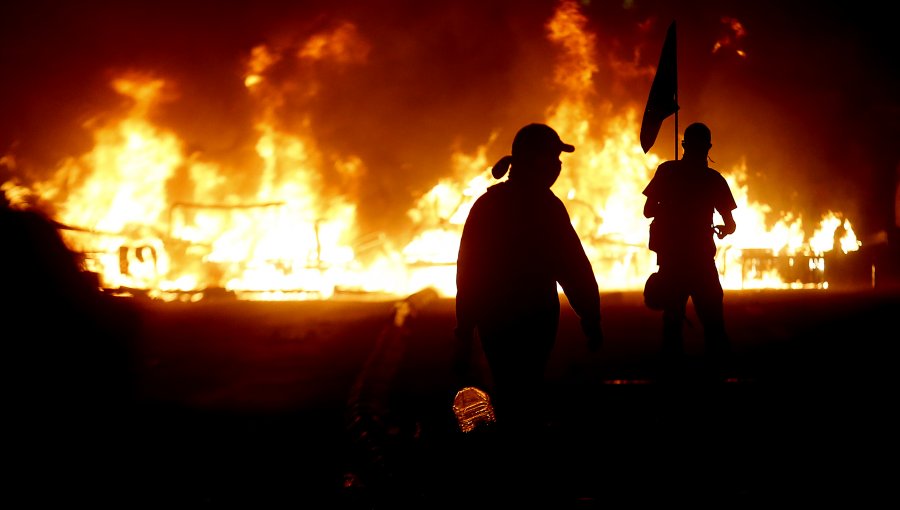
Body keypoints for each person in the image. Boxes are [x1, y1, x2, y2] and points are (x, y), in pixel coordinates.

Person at [454, 123, 603, 437]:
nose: (558, 166)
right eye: (553, 157)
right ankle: (524, 451)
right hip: (535, 318)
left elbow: (467, 272)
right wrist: (590, 315)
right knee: (529, 386)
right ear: (536, 160)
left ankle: (512, 446)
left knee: (507, 385)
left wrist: (465, 328)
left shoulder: (487, 206)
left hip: (495, 320)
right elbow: (573, 267)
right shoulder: (546, 207)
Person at [642, 122, 737, 381]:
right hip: (700, 260)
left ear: (683, 145)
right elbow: (731, 224)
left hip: (673, 260)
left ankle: (672, 374)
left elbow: (648, 210)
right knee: (713, 320)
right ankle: (717, 372)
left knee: (672, 320)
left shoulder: (667, 171)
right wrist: (721, 229)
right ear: (708, 147)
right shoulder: (713, 179)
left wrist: (669, 207)